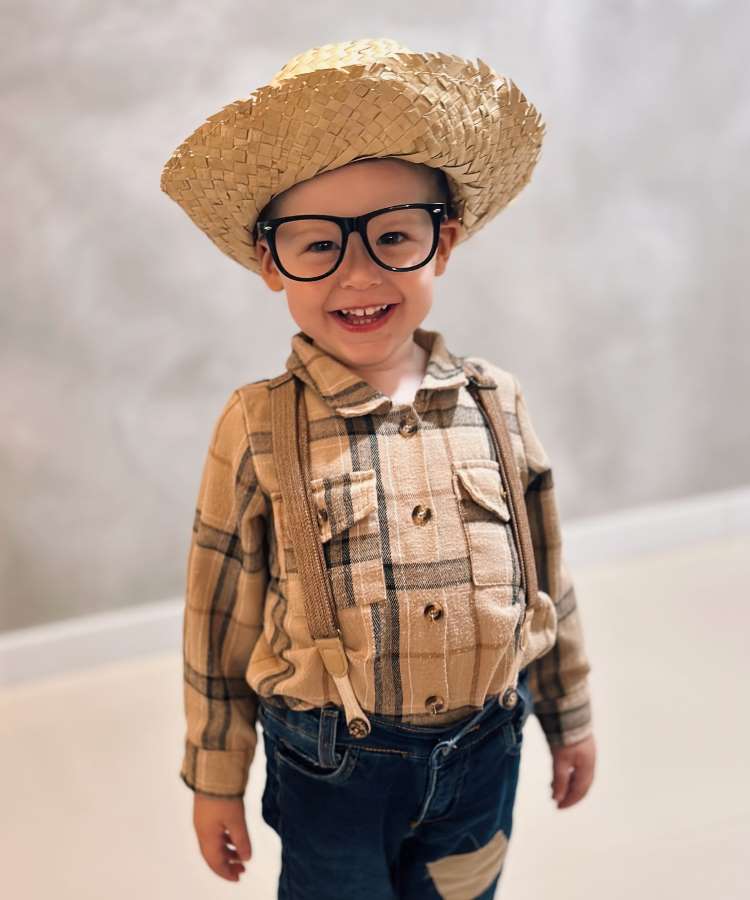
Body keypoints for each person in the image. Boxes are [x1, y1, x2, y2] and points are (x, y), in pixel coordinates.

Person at [161, 37, 596, 899]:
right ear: (268, 260)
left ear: (444, 243)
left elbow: (547, 575)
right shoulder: (257, 424)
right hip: (331, 770)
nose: (358, 272)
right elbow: (218, 619)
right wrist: (216, 774)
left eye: (393, 235)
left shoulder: (497, 401)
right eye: (317, 244)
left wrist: (569, 715)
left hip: (483, 754)